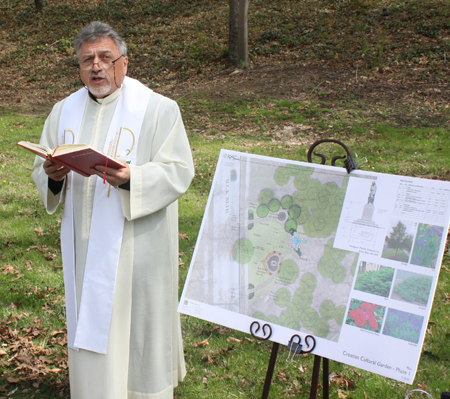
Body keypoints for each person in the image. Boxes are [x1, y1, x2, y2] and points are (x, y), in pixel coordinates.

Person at [32, 21, 194, 399]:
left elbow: (178, 170)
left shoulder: (158, 109)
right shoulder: (62, 111)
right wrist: (53, 174)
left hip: (139, 248)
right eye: (87, 60)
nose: (96, 67)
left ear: (124, 62)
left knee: (138, 335)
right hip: (85, 249)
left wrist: (130, 178)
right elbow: (42, 168)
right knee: (93, 334)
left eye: (106, 57)